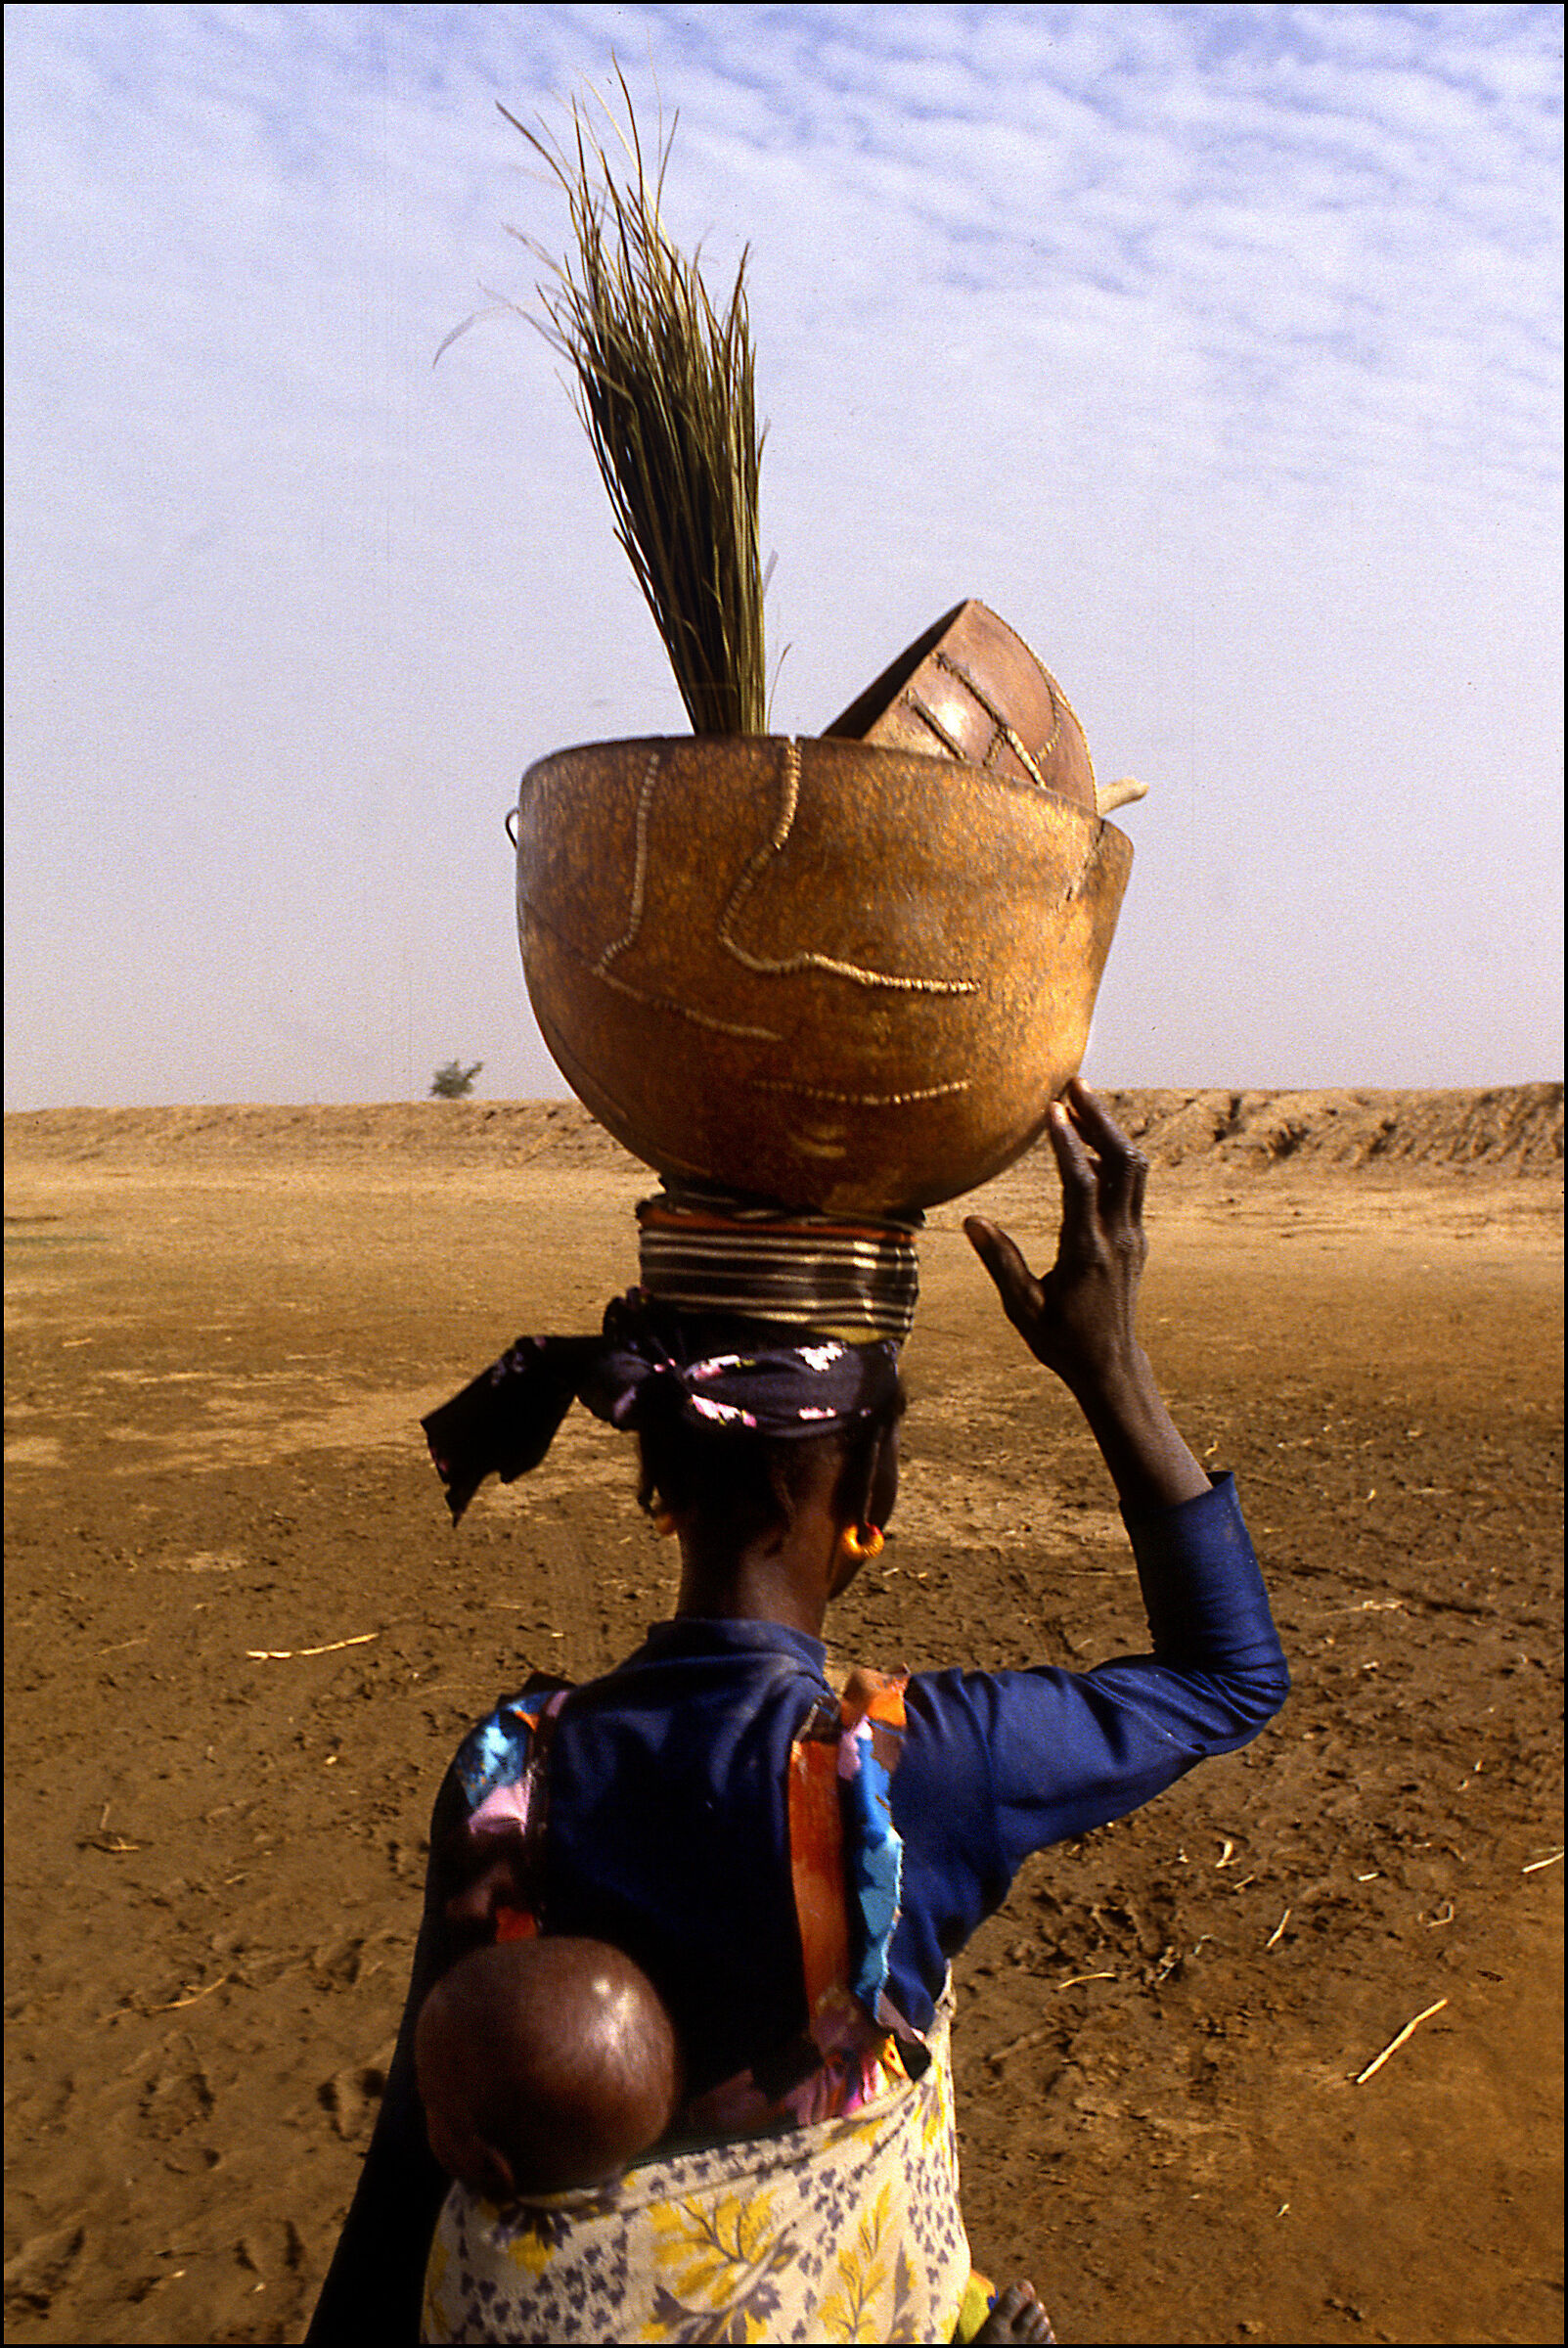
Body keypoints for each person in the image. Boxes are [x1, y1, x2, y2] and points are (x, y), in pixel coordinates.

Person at [305, 1082, 1288, 2344]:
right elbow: (1227, 1678)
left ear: (657, 1486)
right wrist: (1111, 1369)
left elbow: (415, 2145)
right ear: (872, 1502)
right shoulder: (920, 1771)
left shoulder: (511, 1771)